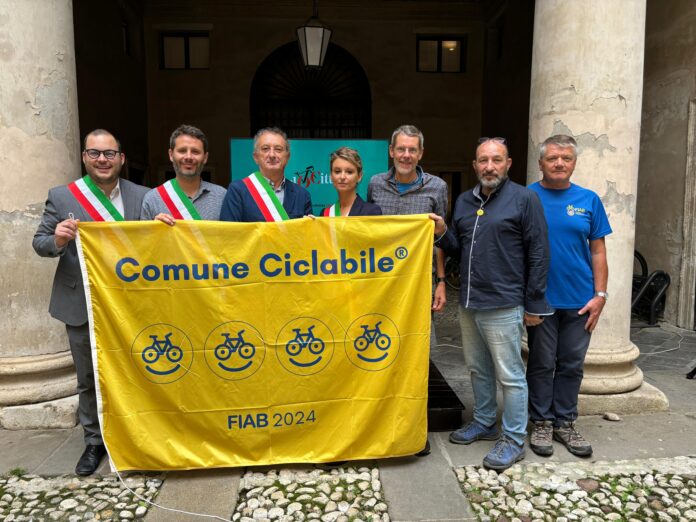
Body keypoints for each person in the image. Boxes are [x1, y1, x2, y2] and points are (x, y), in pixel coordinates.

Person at [431, 137, 552, 470]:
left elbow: (539, 253)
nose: (489, 166)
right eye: (483, 160)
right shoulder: (465, 202)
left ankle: (512, 439)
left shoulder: (525, 199)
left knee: (510, 375)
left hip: (505, 302)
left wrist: (534, 303)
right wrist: (442, 231)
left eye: (496, 160)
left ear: (508, 164)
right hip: (470, 302)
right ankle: (484, 421)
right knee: (477, 368)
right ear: (475, 166)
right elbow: (456, 246)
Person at [33, 129, 148, 476]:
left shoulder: (143, 196)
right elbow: (39, 243)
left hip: (131, 305)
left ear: (121, 159)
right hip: (82, 303)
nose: (102, 160)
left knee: (137, 372)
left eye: (110, 154)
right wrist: (58, 239)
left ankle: (139, 436)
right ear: (84, 157)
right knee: (88, 377)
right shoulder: (62, 196)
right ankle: (94, 441)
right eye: (95, 153)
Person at [526, 134, 612, 458]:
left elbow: (598, 251)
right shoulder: (526, 197)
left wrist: (600, 295)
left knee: (572, 365)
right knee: (540, 363)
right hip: (540, 300)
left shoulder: (589, 200)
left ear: (574, 163)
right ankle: (542, 422)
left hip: (580, 301)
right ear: (541, 163)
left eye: (566, 158)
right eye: (552, 158)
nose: (559, 163)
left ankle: (565, 423)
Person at [367, 124, 448, 456]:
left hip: (419, 285)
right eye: (400, 149)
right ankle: (381, 422)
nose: (405, 155)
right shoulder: (374, 184)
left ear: (421, 154)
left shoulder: (437, 187)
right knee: (379, 354)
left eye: (412, 150)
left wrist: (442, 281)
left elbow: (440, 238)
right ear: (391, 151)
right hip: (381, 286)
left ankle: (416, 429)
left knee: (416, 356)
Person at [219, 127, 312, 222]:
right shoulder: (238, 190)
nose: (272, 155)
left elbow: (307, 235)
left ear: (287, 157)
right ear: (256, 157)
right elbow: (229, 234)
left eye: (278, 149)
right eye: (265, 149)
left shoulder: (302, 195)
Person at [141, 124, 225, 223]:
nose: (188, 157)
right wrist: (154, 229)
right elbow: (145, 238)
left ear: (205, 157)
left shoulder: (222, 196)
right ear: (171, 155)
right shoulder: (152, 199)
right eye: (182, 151)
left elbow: (230, 237)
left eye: (195, 152)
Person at [321, 147, 382, 216]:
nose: (342, 177)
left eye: (349, 172)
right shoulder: (325, 214)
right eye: (337, 171)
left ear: (359, 176)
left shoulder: (371, 212)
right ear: (331, 176)